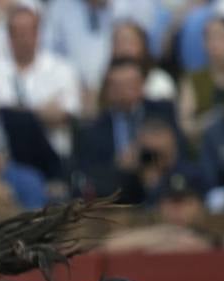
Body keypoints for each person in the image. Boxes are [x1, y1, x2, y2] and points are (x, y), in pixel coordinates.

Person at [72, 56, 184, 198]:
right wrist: (120, 166)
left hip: (165, 187)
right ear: (107, 90)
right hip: (118, 195)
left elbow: (181, 152)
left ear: (142, 85)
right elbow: (89, 175)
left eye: (130, 84)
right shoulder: (92, 130)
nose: (125, 91)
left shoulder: (164, 111)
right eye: (118, 86)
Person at [0, 2, 81, 159]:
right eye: (17, 33)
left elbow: (66, 115)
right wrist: (41, 112)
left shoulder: (62, 70)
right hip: (8, 157)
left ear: (38, 33)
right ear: (8, 36)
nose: (23, 39)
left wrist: (17, 114)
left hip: (53, 155)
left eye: (27, 32)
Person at [179, 16, 224, 144]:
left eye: (221, 37)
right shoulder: (193, 80)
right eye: (210, 38)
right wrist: (209, 122)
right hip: (206, 147)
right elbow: (185, 125)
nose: (215, 44)